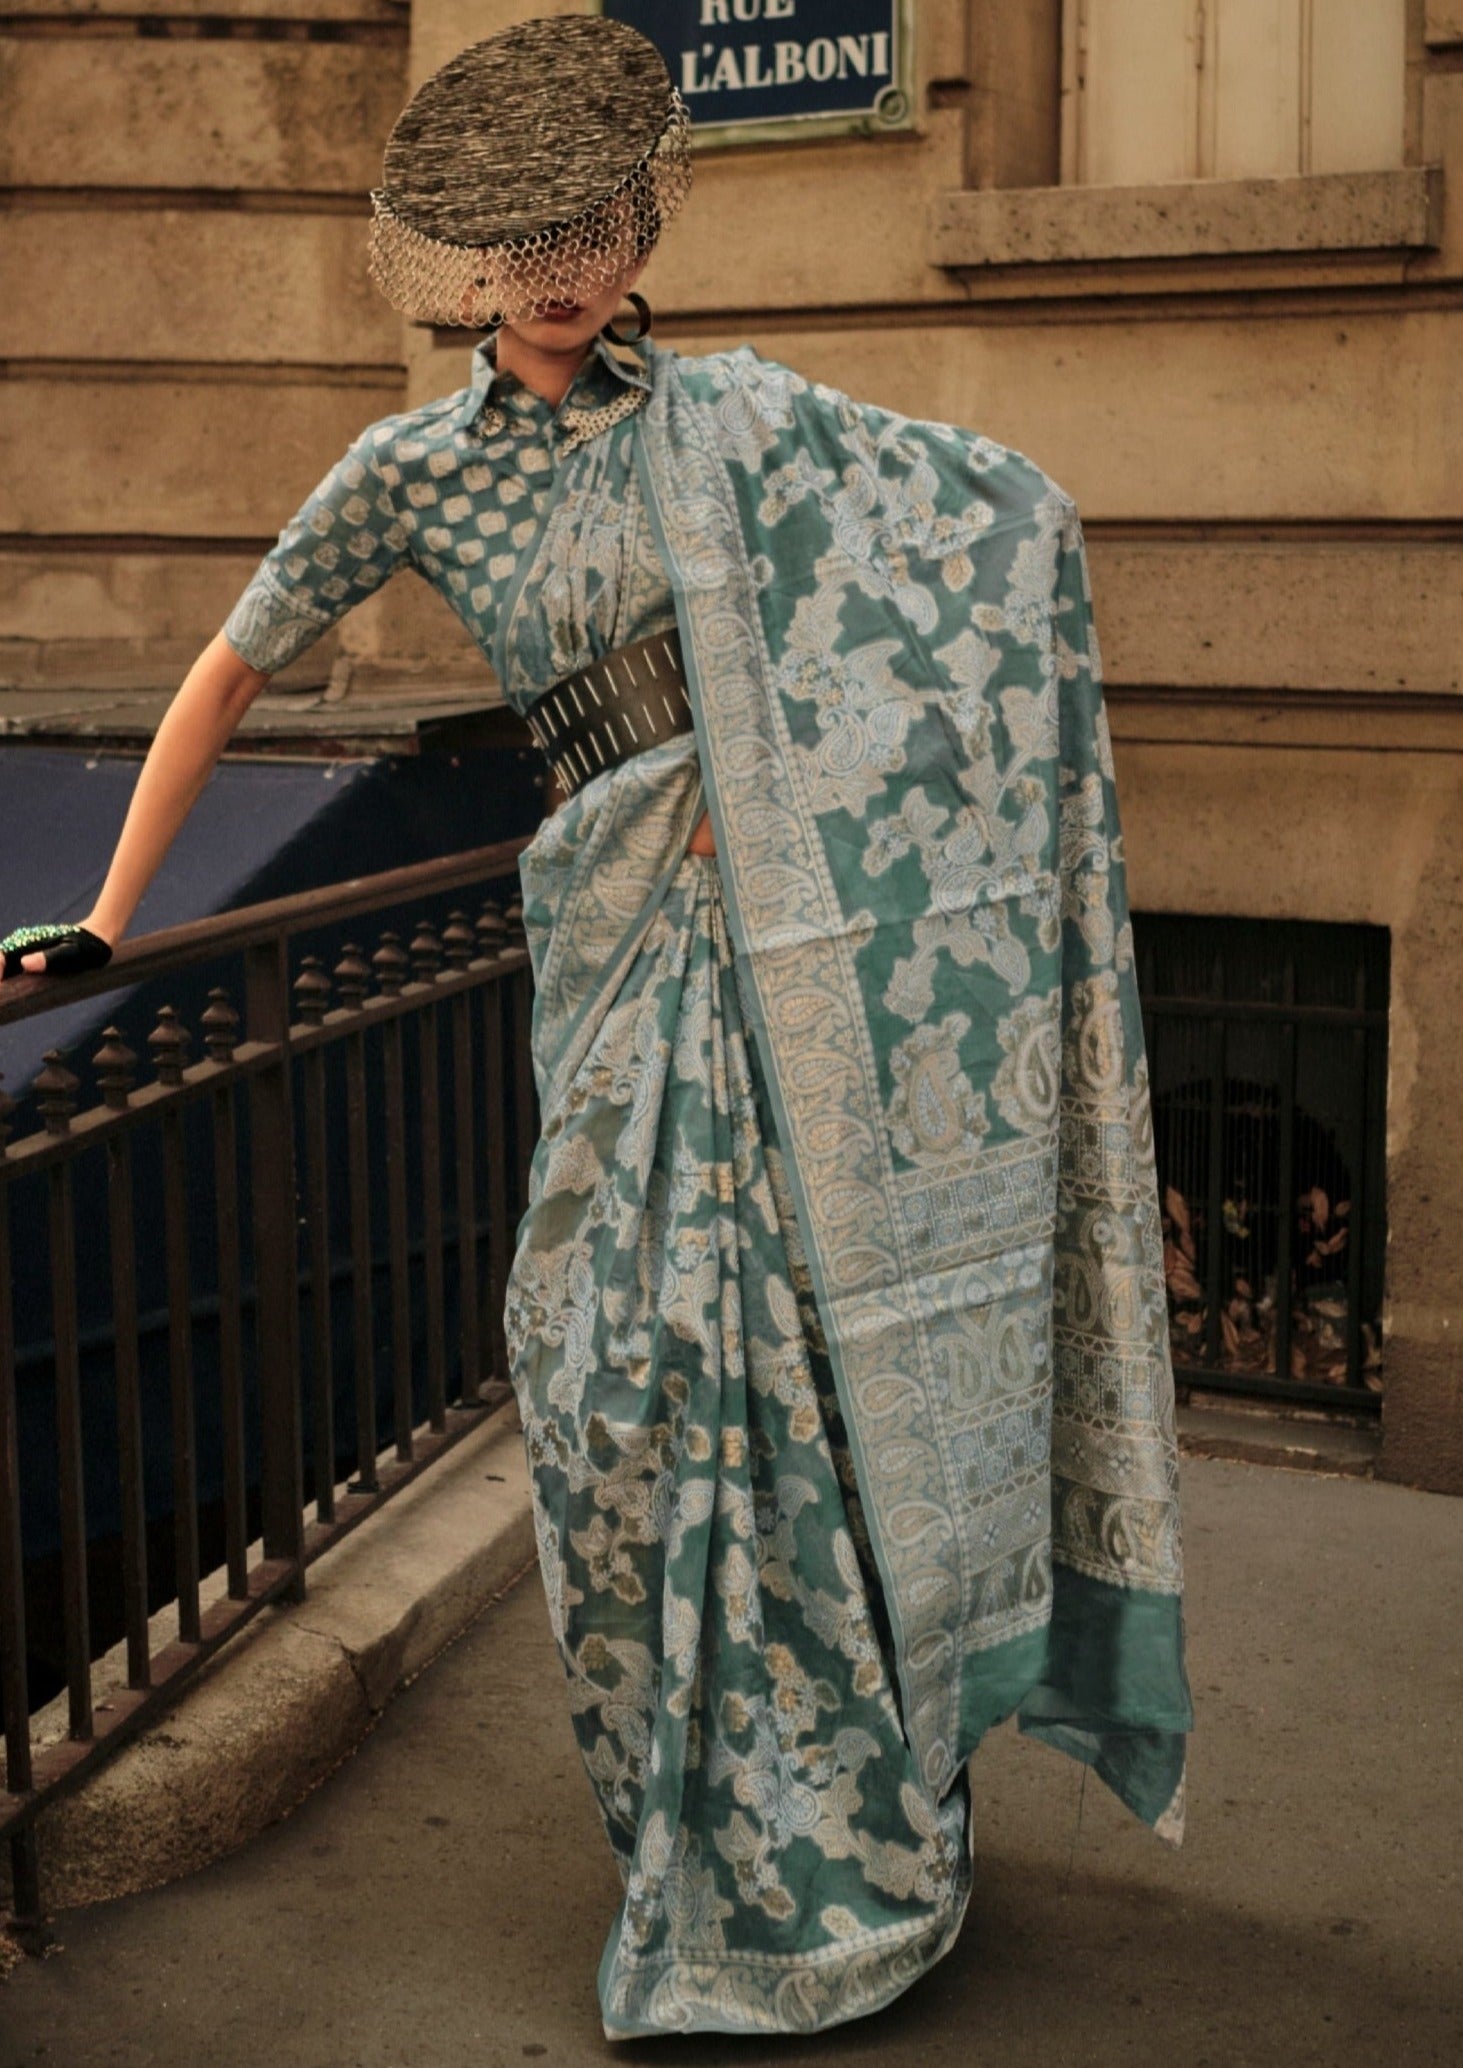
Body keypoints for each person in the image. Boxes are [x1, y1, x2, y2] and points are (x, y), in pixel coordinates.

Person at [0, 14, 1193, 2042]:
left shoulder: (733, 422)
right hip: (612, 932)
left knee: (795, 1363)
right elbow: (228, 668)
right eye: (528, 237)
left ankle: (850, 1838)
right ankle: (690, 1819)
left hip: (784, 939)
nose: (564, 269)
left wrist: (792, 764)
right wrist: (111, 913)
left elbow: (974, 522)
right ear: (471, 261)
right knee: (604, 1365)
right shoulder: (412, 468)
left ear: (642, 227)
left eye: (596, 225)